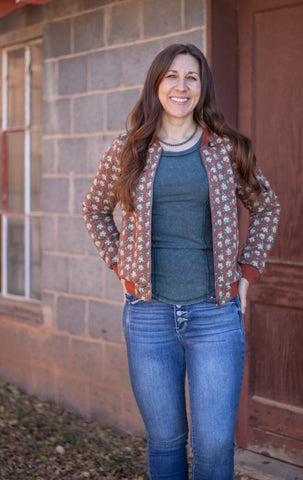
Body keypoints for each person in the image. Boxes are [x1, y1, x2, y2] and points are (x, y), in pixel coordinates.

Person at [82, 43, 280, 480]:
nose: (181, 86)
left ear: (202, 87)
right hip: (148, 316)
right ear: (156, 84)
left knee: (213, 446)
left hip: (215, 317)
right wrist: (121, 266)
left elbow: (267, 206)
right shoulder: (129, 148)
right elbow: (94, 209)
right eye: (171, 75)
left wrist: (246, 274)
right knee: (166, 441)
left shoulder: (225, 150)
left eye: (191, 77)